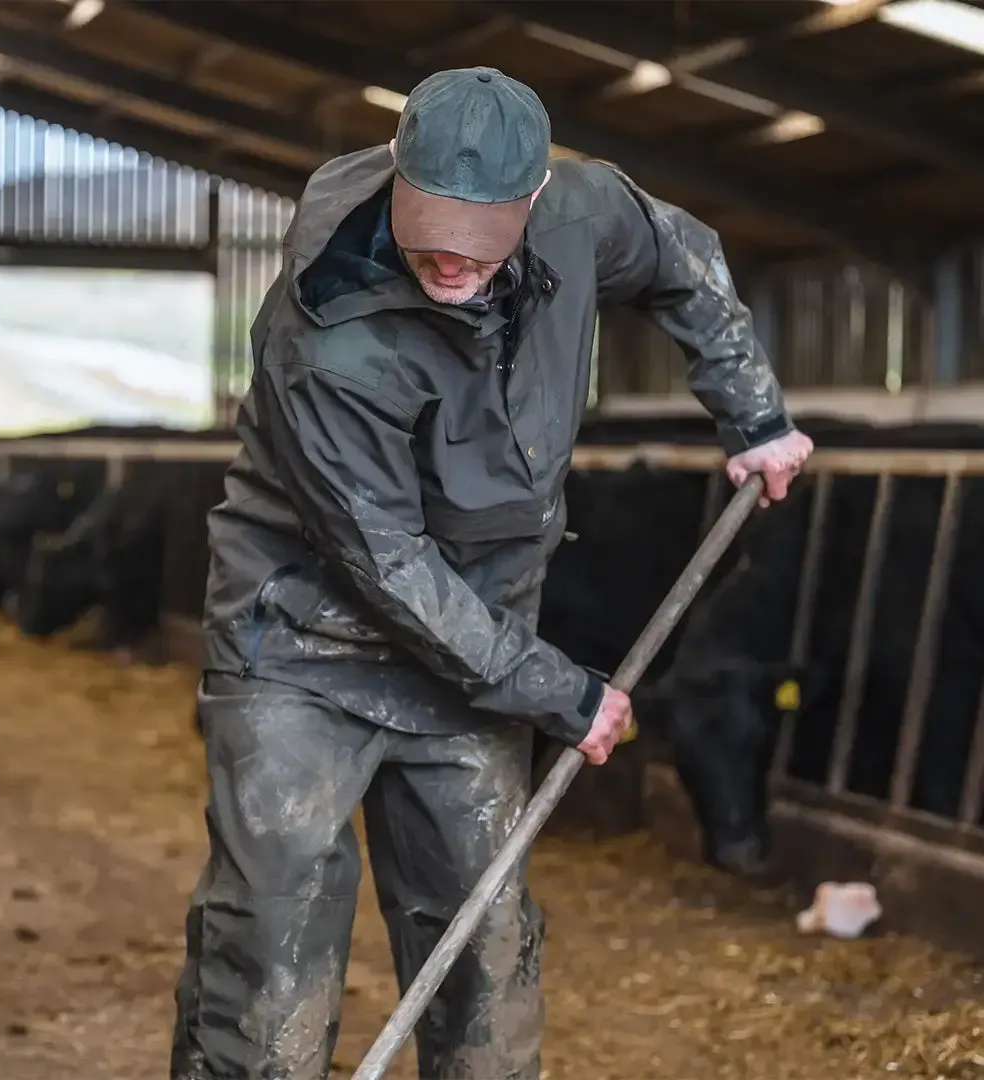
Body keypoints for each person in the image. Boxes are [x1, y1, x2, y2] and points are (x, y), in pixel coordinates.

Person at [170, 66, 813, 1080]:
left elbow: (685, 259)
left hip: (480, 639)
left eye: (478, 236)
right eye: (429, 226)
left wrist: (756, 414)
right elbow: (386, 565)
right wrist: (565, 692)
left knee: (484, 937)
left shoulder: (584, 209)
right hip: (302, 643)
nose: (447, 259)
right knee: (271, 937)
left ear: (532, 204)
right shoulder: (324, 332)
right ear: (397, 174)